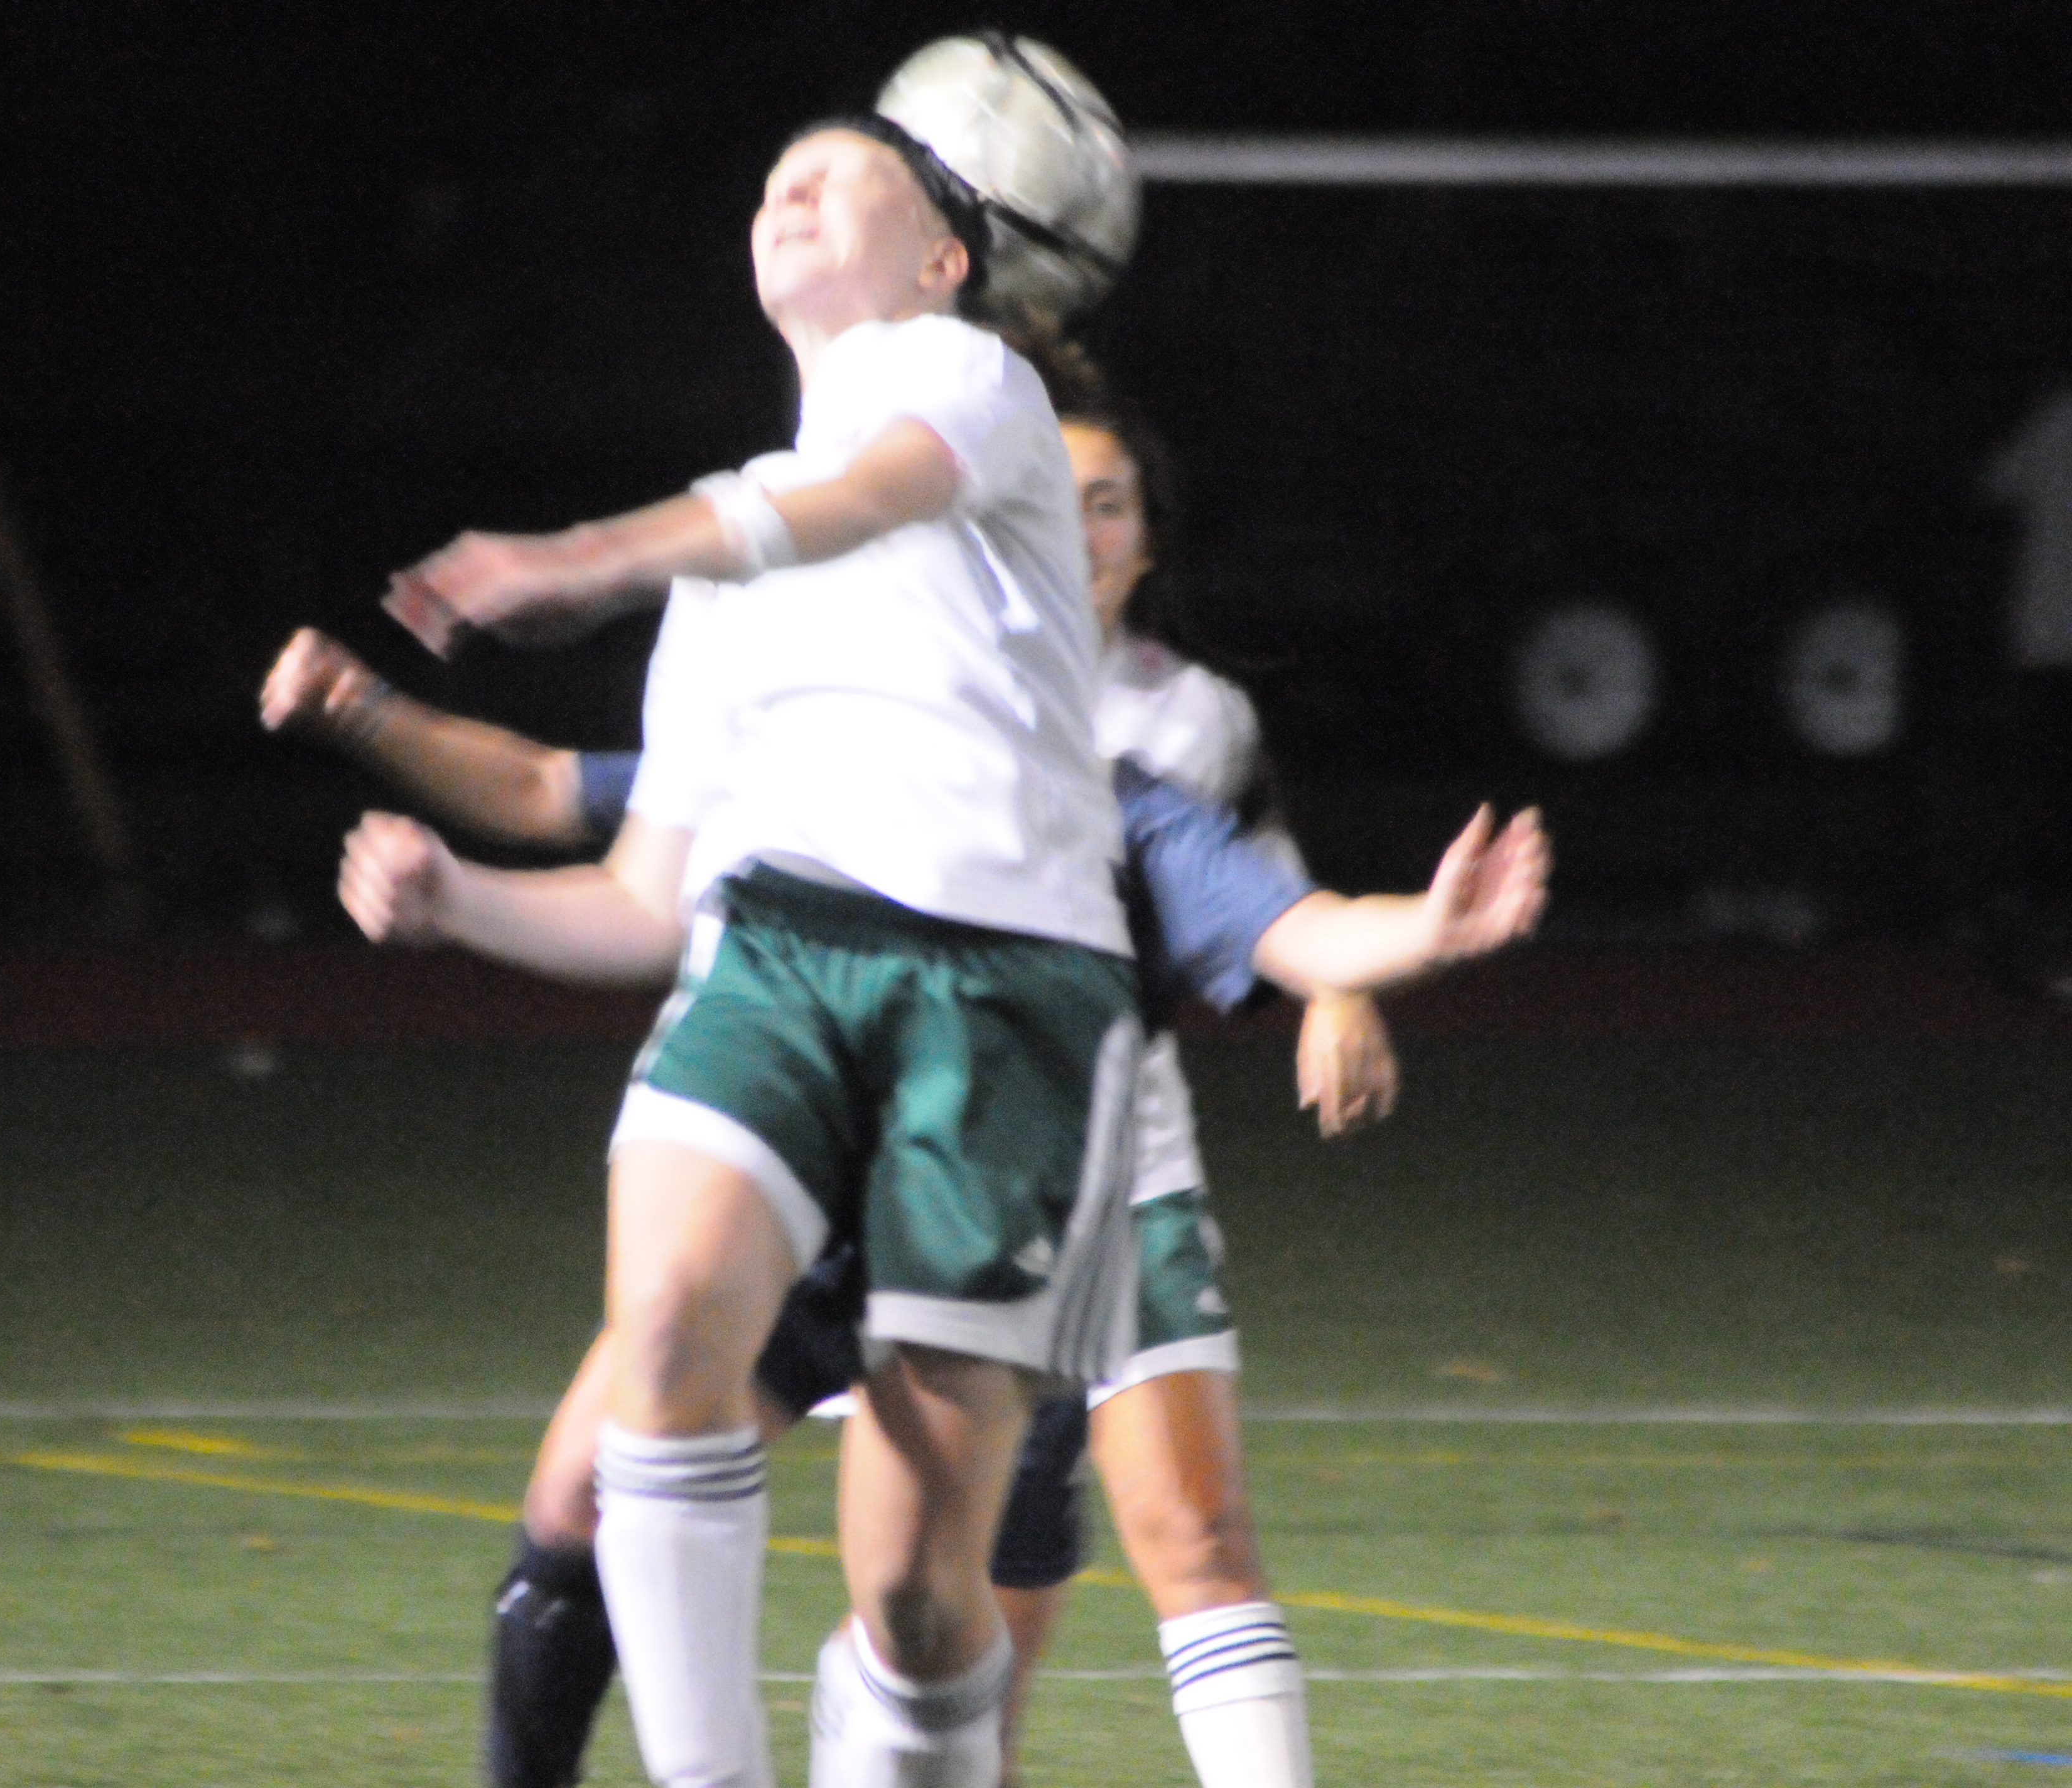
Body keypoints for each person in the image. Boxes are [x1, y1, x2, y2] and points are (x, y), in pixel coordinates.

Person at [266, 366, 1394, 1788]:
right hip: (826, 1162)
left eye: (1110, 502)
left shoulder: (1179, 725)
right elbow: (572, 795)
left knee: (972, 1620)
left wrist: (1343, 984)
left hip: (1039, 1185)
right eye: (1057, 496)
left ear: (1146, 536)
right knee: (590, 1487)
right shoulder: (875, 667)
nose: (1080, 526)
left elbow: (1259, 899)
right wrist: (373, 719)